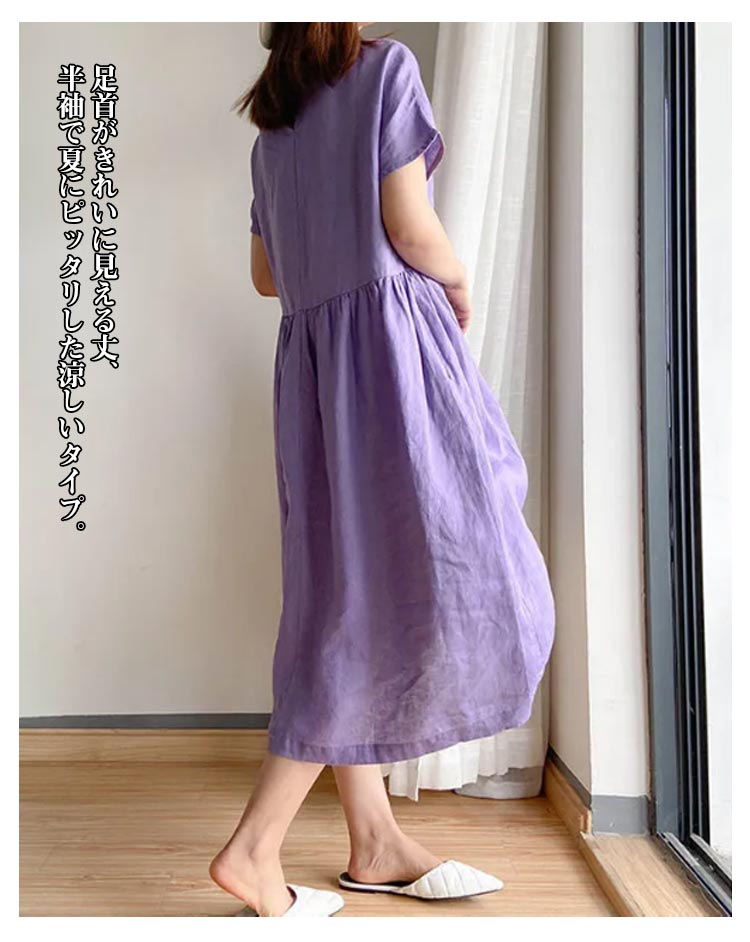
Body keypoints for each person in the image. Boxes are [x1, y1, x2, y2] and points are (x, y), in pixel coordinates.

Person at [209, 22, 555, 917]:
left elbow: (266, 275)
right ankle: (255, 849)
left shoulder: (274, 122)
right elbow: (410, 225)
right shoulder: (384, 70)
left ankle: (375, 842)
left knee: (344, 588)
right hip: (393, 359)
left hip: (315, 376)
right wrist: (457, 277)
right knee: (451, 562)